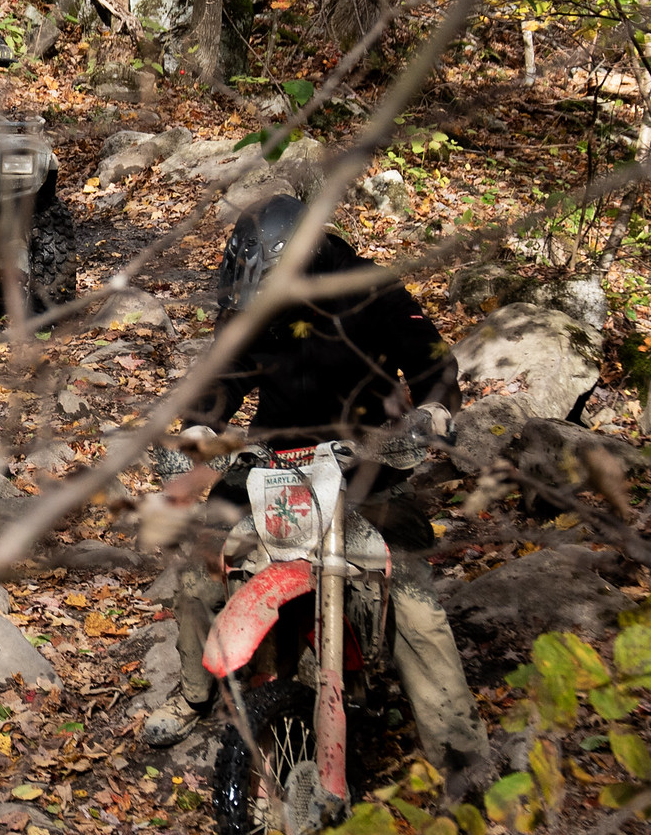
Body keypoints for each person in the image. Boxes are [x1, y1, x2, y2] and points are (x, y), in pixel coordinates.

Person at [140, 194, 489, 775]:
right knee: (201, 570)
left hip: (369, 466)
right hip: (271, 466)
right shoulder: (252, 303)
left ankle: (460, 758)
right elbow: (222, 378)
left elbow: (436, 365)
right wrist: (201, 426)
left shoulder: (373, 291)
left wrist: (431, 412)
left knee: (415, 606)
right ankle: (195, 693)